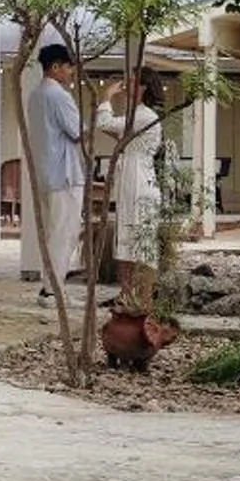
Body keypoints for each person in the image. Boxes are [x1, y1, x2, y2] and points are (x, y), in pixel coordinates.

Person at [96, 72, 169, 307]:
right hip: (134, 179)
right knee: (128, 238)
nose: (127, 85)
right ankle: (128, 295)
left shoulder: (143, 115)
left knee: (138, 240)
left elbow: (105, 123)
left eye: (133, 81)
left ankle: (143, 297)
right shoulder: (137, 116)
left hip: (137, 182)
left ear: (144, 88)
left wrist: (106, 96)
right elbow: (117, 131)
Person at [26, 42, 87, 298]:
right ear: (55, 67)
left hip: (45, 172)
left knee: (54, 231)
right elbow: (77, 132)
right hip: (65, 174)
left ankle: (50, 286)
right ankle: (53, 290)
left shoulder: (35, 95)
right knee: (65, 232)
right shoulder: (59, 96)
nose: (71, 72)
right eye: (68, 67)